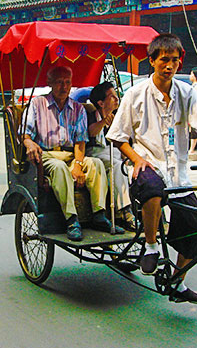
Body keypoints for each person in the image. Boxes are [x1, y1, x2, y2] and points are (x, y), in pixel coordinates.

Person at [106, 33, 197, 304]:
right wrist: (137, 158)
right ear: (152, 61)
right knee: (152, 188)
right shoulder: (135, 94)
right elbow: (117, 137)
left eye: (174, 60)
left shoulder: (186, 94)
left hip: (178, 174)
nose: (169, 66)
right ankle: (150, 247)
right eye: (164, 60)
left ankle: (177, 281)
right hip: (145, 166)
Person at [22, 66, 124, 242]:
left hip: (71, 154)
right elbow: (25, 133)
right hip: (46, 155)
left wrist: (78, 165)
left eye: (68, 82)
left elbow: (80, 141)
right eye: (59, 82)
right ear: (50, 83)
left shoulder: (77, 108)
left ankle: (99, 214)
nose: (64, 87)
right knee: (60, 167)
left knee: (96, 164)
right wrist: (28, 142)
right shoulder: (37, 104)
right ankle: (71, 219)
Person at [87, 82, 135, 229]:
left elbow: (125, 140)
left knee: (133, 169)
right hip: (95, 152)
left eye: (116, 96)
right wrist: (103, 122)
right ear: (101, 103)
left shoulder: (119, 116)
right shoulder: (90, 115)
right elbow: (90, 132)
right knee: (117, 166)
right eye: (112, 96)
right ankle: (125, 211)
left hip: (114, 153)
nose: (116, 99)